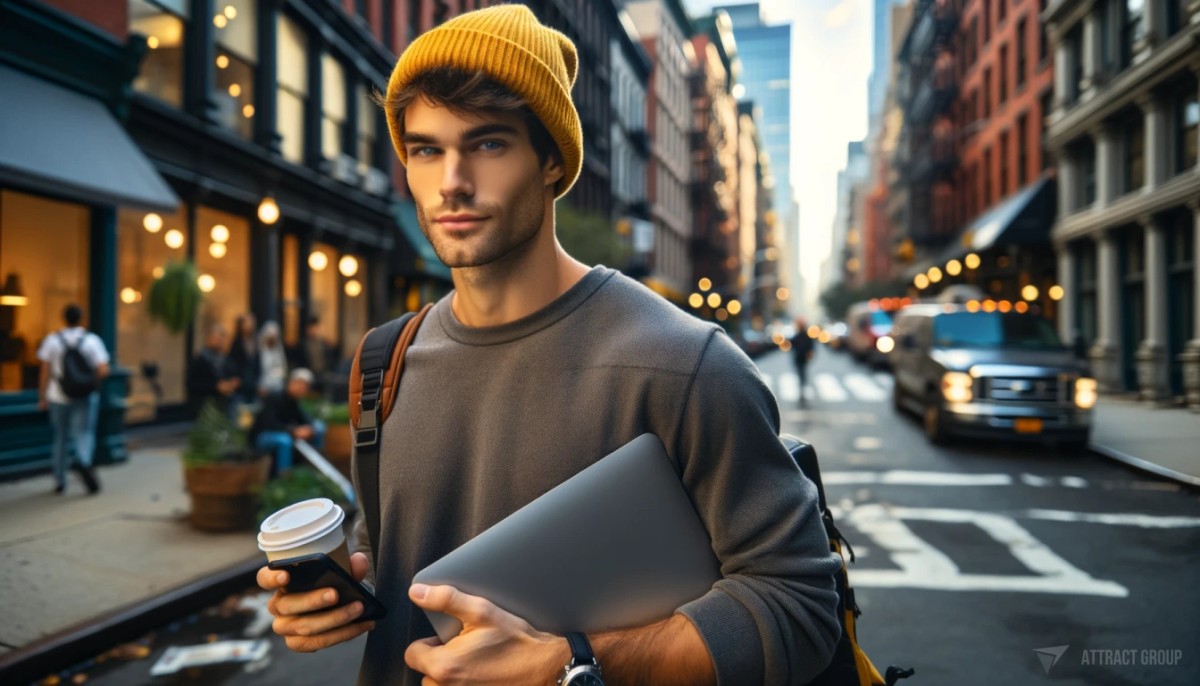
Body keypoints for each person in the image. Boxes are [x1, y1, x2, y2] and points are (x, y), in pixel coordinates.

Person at [257, 6, 840, 686]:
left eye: (489, 144)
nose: (451, 181)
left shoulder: (685, 364)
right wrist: (341, 593)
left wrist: (574, 663)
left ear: (553, 162)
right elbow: (388, 550)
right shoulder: (382, 361)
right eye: (426, 149)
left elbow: (801, 605)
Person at [37, 304, 109, 495]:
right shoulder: (92, 341)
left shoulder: (52, 341)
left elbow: (45, 371)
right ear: (81, 319)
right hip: (85, 396)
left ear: (64, 318)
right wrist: (87, 382)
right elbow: (103, 370)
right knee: (83, 434)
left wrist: (42, 396)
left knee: (60, 437)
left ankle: (60, 481)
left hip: (57, 396)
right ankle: (84, 463)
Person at [250, 368, 323, 476]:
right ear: (290, 382)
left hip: (283, 433)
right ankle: (285, 479)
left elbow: (303, 418)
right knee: (284, 441)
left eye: (304, 387)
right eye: (298, 384)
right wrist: (293, 431)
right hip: (262, 436)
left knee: (318, 428)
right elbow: (269, 423)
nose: (300, 389)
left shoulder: (294, 401)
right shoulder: (274, 397)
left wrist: (309, 429)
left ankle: (316, 469)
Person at [186, 323, 240, 414]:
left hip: (225, 406)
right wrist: (215, 386)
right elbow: (191, 385)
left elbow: (234, 375)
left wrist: (233, 383)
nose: (219, 341)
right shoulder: (200, 360)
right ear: (208, 339)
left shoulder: (226, 360)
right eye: (216, 338)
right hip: (205, 409)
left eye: (221, 338)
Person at [226, 313, 260, 407]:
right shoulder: (236, 342)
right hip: (240, 383)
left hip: (254, 383)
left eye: (251, 322)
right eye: (247, 322)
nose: (249, 325)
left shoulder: (257, 341)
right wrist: (234, 376)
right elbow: (231, 361)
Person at [257, 320, 288, 396]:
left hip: (278, 386)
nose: (272, 338)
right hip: (263, 386)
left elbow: (282, 367)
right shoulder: (260, 351)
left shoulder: (279, 350)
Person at [790, 316, 816, 406]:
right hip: (798, 357)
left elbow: (811, 346)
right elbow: (792, 345)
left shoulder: (806, 336)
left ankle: (803, 388)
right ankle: (802, 388)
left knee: (802, 373)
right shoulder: (797, 335)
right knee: (801, 373)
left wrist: (810, 354)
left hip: (803, 358)